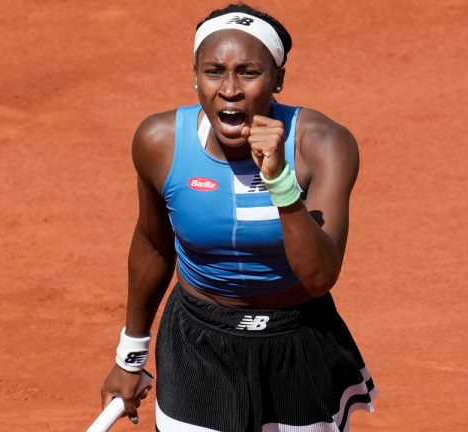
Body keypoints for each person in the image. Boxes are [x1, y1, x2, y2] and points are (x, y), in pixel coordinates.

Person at [99, 4, 377, 431]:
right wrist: (130, 357)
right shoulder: (159, 142)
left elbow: (319, 276)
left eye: (248, 73)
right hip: (198, 346)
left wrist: (279, 181)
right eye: (214, 72)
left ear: (278, 79)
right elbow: (153, 245)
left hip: (297, 343)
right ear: (195, 77)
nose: (229, 89)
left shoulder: (323, 145)